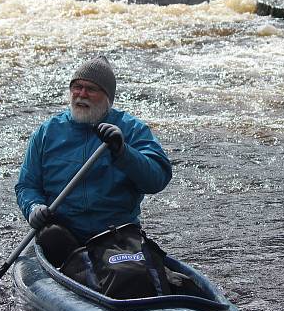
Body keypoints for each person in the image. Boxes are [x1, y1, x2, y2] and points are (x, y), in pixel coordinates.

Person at [14, 55, 173, 287]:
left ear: (107, 97)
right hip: (63, 234)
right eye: (76, 87)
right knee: (51, 235)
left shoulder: (131, 129)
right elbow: (27, 185)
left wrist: (123, 152)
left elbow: (157, 179)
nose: (81, 94)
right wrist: (33, 207)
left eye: (91, 89)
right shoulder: (47, 132)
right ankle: (85, 276)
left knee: (133, 279)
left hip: (115, 232)